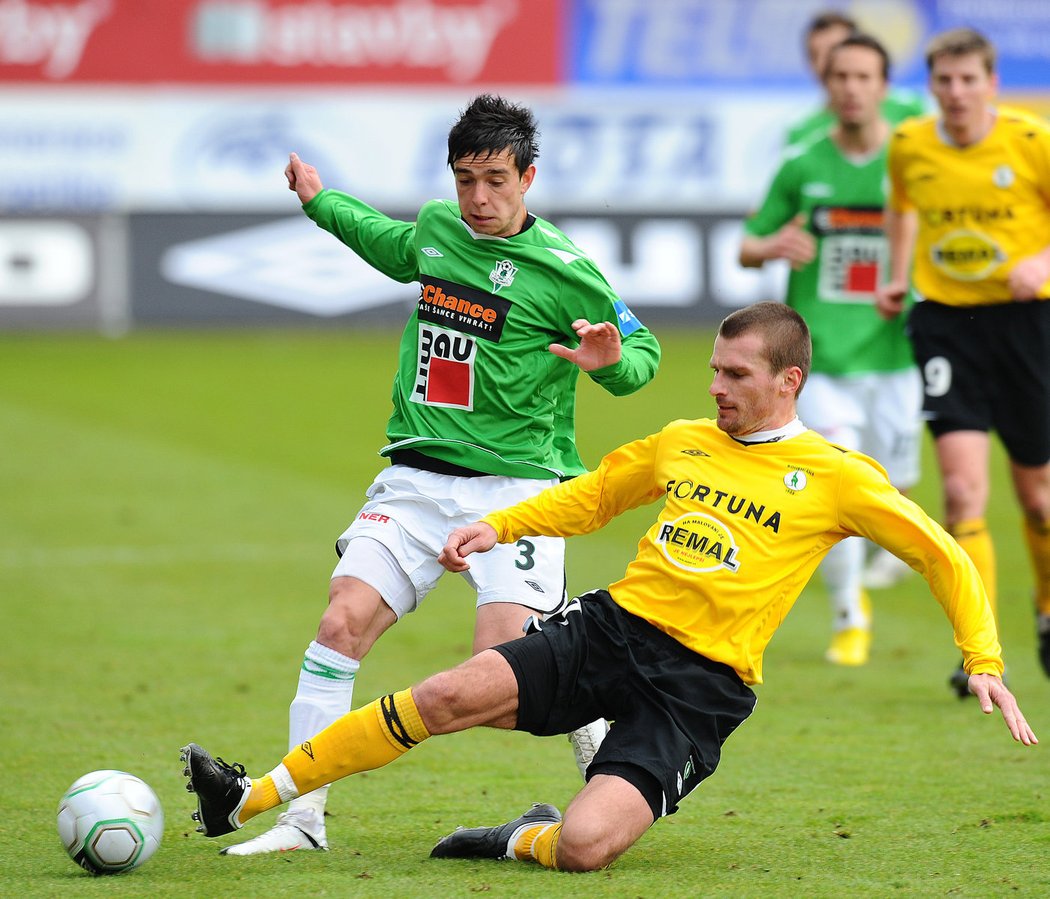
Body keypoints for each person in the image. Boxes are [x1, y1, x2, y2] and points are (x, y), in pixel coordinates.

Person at [181, 303, 1035, 874]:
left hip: (702, 689)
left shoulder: (841, 479)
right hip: (612, 629)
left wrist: (983, 657)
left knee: (586, 849)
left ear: (790, 382)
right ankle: (246, 797)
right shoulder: (683, 440)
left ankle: (519, 834)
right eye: (714, 369)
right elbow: (592, 496)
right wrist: (501, 526)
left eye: (737, 375)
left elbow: (942, 554)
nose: (716, 387)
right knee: (444, 694)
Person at [219, 94, 661, 856]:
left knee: (500, 667)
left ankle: (585, 695)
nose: (479, 199)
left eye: (495, 180)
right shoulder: (437, 230)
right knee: (339, 623)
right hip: (418, 482)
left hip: (520, 489)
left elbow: (642, 352)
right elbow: (388, 241)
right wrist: (320, 201)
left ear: (529, 175)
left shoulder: (566, 271)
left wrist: (611, 362)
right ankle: (301, 820)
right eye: (465, 180)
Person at [739, 34, 922, 667]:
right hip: (822, 361)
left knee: (899, 480)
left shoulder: (912, 156)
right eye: (839, 75)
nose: (849, 87)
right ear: (829, 83)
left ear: (883, 85)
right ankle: (851, 617)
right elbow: (748, 244)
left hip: (896, 353)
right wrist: (775, 245)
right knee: (841, 483)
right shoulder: (802, 162)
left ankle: (866, 576)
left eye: (863, 76)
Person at [877, 28, 1050, 695]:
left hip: (1026, 325)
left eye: (967, 80)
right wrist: (898, 275)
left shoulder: (1031, 143)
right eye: (943, 81)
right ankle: (984, 649)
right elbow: (901, 209)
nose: (955, 93)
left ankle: (1044, 608)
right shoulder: (910, 144)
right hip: (947, 324)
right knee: (960, 491)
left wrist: (1039, 261)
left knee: (1036, 496)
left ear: (991, 83)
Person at [785, 10, 925, 150]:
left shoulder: (909, 109)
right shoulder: (801, 134)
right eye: (814, 55)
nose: (824, 63)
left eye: (834, 50)